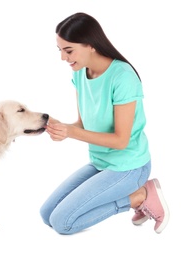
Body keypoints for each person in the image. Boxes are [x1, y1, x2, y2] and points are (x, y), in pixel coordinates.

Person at [40, 12, 169, 235]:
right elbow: (82, 124)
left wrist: (70, 132)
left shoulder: (123, 77)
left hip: (129, 167)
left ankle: (139, 195)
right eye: (60, 50)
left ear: (90, 45)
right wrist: (60, 127)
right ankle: (135, 195)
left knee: (63, 223)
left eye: (68, 50)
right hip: (101, 162)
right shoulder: (80, 73)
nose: (63, 57)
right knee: (47, 214)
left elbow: (120, 141)